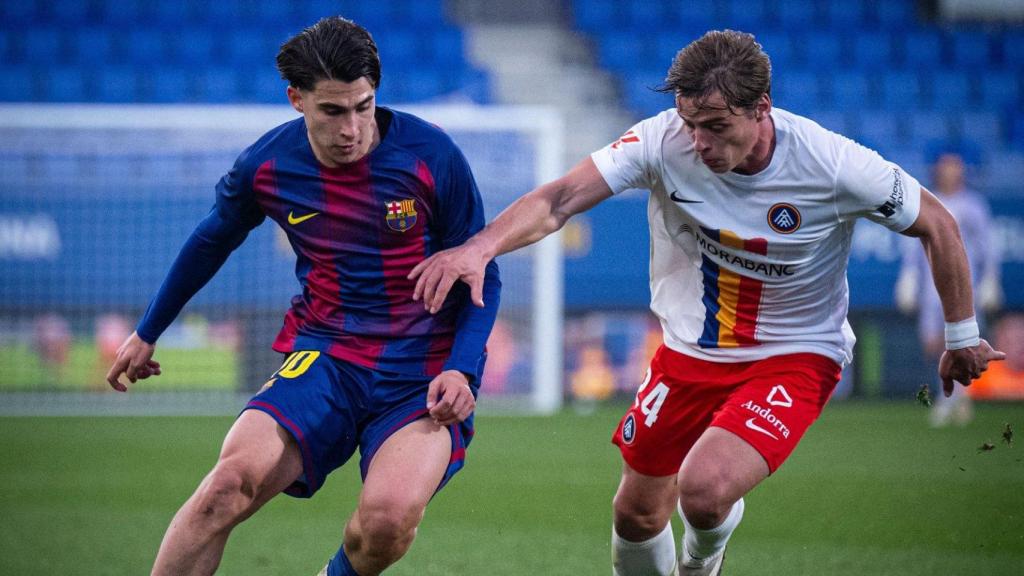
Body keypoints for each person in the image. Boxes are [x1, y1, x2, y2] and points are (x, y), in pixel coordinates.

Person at [409, 30, 1005, 576]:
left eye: (716, 125)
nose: (699, 141)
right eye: (690, 122)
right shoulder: (660, 140)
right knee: (636, 515)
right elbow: (561, 197)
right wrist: (481, 247)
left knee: (703, 487)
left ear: (762, 106)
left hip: (794, 355)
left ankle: (700, 564)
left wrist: (960, 336)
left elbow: (939, 224)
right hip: (688, 352)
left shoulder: (833, 163)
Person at [105, 17, 500, 576]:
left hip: (424, 369)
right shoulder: (266, 165)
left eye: (363, 107)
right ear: (296, 99)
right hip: (328, 356)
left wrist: (462, 369)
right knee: (225, 488)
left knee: (386, 522)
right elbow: (210, 241)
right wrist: (147, 331)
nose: (352, 129)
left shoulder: (431, 154)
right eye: (333, 111)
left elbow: (486, 273)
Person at [895, 152, 1002, 426]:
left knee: (961, 341)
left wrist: (990, 279)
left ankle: (951, 401)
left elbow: (987, 246)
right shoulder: (926, 200)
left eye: (954, 168)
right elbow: (913, 243)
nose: (949, 173)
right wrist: (908, 278)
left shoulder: (973, 205)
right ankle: (955, 397)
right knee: (934, 344)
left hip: (965, 282)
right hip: (931, 284)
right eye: (945, 168)